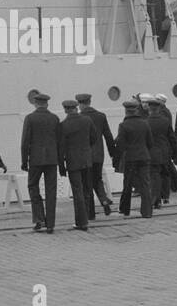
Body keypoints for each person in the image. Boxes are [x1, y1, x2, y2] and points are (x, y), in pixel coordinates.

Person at [20, 92, 61, 233]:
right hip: (51, 159)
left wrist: (24, 161)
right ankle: (50, 224)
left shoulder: (30, 118)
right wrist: (60, 162)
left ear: (35, 103)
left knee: (32, 186)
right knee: (51, 190)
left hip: (36, 159)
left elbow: (25, 142)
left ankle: (39, 219)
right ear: (47, 104)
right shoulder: (55, 119)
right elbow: (59, 142)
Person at [58, 99, 97, 231]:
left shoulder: (63, 125)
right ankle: (85, 218)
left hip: (72, 162)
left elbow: (61, 148)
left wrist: (61, 166)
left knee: (77, 191)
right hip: (87, 160)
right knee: (87, 190)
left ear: (65, 110)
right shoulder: (87, 120)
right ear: (76, 108)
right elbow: (94, 138)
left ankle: (81, 222)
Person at [76, 93, 115, 216]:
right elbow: (108, 136)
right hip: (99, 155)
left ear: (80, 104)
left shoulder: (79, 118)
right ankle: (103, 200)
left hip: (85, 156)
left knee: (86, 183)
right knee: (97, 179)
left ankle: (90, 212)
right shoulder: (101, 116)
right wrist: (113, 153)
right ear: (89, 102)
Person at [114, 99, 153, 218]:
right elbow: (150, 142)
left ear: (126, 111)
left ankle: (125, 209)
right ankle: (147, 212)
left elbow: (120, 145)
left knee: (128, 184)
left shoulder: (123, 125)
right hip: (144, 157)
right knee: (145, 184)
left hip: (130, 158)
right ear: (136, 110)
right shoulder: (145, 123)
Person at [145, 95, 177, 207]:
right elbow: (172, 138)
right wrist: (175, 152)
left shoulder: (146, 122)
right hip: (165, 152)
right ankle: (166, 197)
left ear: (149, 109)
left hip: (152, 153)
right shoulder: (165, 121)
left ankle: (156, 200)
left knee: (154, 176)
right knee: (165, 175)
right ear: (158, 109)